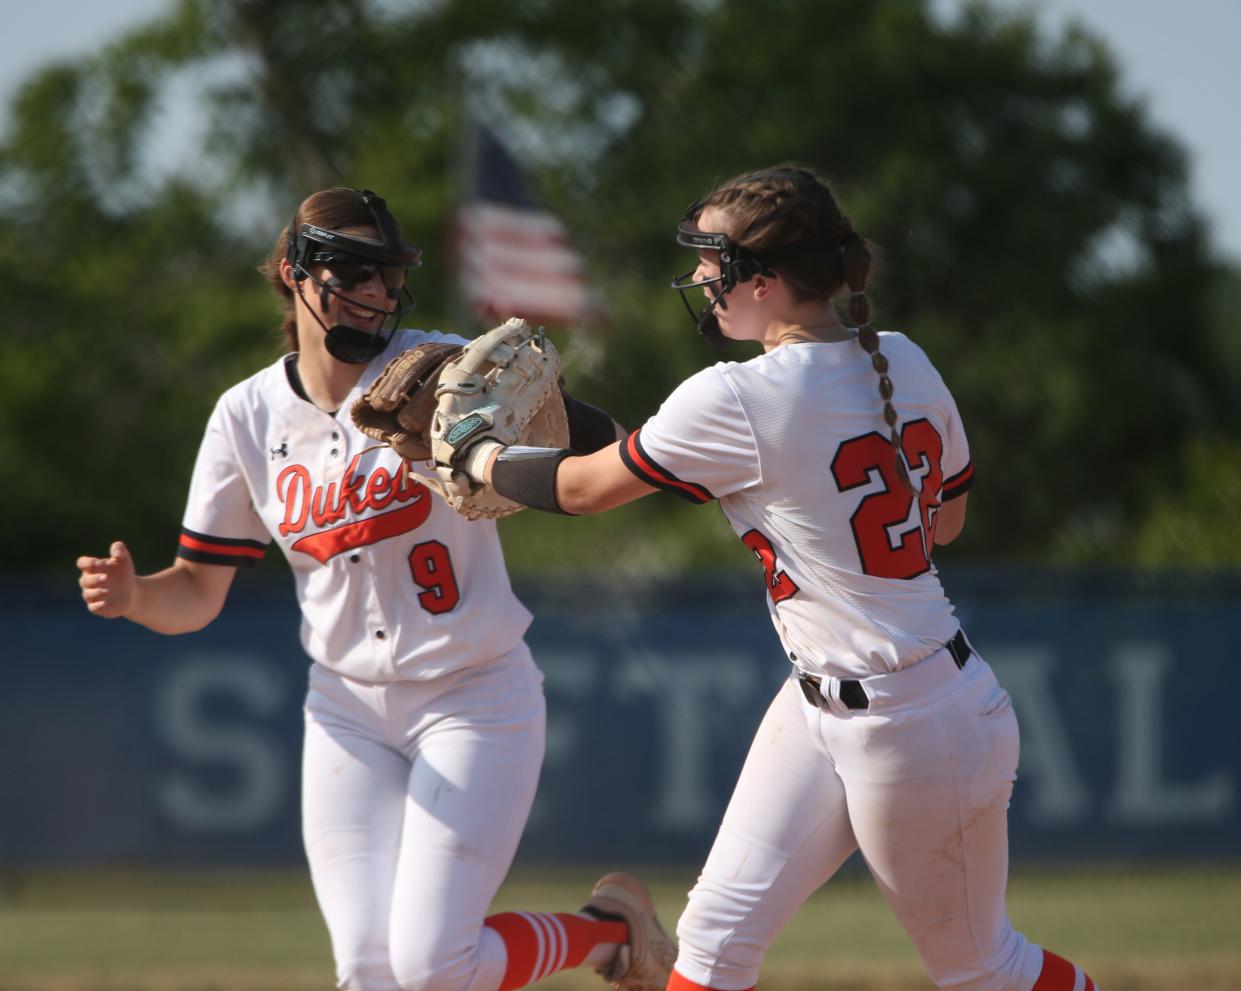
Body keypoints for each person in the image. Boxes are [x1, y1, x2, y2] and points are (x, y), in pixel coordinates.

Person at [456, 165, 1101, 991]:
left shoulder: (738, 396)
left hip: (913, 724)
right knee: (711, 943)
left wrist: (477, 452)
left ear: (761, 279)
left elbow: (582, 490)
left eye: (712, 264)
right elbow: (946, 523)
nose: (699, 279)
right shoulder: (900, 358)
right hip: (840, 697)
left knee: (980, 967)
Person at [75, 186, 675, 991]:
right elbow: (196, 589)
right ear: (295, 273)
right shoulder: (247, 416)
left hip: (471, 695)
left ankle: (605, 933)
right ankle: (609, 935)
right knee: (367, 969)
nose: (377, 293)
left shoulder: (441, 370)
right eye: (353, 271)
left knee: (430, 966)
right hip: (346, 710)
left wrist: (544, 443)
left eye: (388, 275)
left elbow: (593, 441)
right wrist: (133, 595)